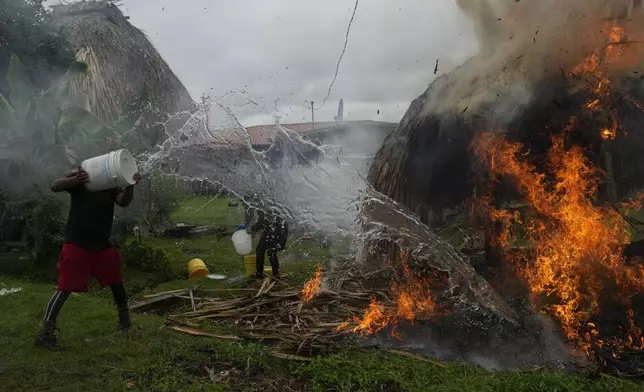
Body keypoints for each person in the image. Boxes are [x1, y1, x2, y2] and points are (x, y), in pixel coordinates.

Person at [35, 167, 140, 349]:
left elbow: (123, 202)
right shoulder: (83, 180)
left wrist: (131, 186)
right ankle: (45, 333)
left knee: (116, 281)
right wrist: (76, 180)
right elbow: (55, 185)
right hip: (77, 243)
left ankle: (125, 322)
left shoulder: (109, 186)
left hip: (101, 244)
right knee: (66, 287)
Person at [249, 207, 288, 279]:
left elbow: (282, 236)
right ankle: (259, 274)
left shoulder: (278, 218)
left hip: (279, 237)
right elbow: (260, 224)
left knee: (271, 252)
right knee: (259, 249)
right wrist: (251, 229)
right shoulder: (264, 214)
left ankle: (276, 274)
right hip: (268, 235)